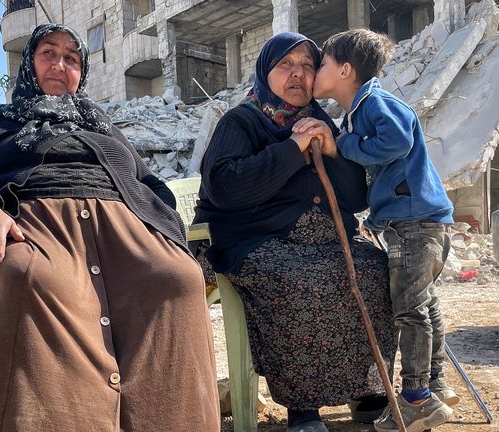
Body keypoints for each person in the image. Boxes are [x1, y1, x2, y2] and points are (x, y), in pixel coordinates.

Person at [0, 23, 220, 432]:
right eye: (48, 53)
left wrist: (161, 230)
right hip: (38, 225)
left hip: (124, 228)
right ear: (29, 64)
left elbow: (149, 184)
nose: (60, 65)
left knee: (179, 280)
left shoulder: (103, 127)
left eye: (72, 59)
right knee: (29, 277)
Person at [194, 32, 397, 432]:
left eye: (308, 65)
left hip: (322, 239)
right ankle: (303, 408)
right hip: (257, 239)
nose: (298, 74)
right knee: (298, 281)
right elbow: (225, 185)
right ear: (265, 71)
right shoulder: (243, 121)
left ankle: (364, 386)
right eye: (286, 65)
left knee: (375, 267)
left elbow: (354, 198)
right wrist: (293, 147)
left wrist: (333, 150)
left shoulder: (321, 119)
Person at [299, 28, 457, 432]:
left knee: (409, 308)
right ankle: (435, 384)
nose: (315, 71)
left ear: (346, 70)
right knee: (424, 304)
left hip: (414, 221)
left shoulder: (375, 103)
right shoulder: (360, 108)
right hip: (417, 219)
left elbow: (398, 141)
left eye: (323, 64)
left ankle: (417, 399)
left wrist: (342, 146)